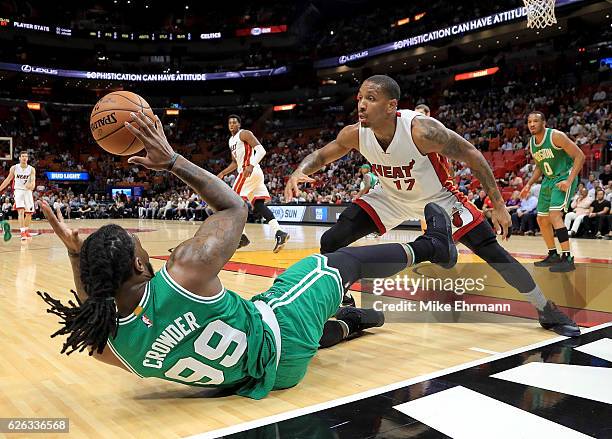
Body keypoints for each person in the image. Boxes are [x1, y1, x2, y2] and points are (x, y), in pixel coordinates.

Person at [38, 111, 458, 399]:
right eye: (140, 249)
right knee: (334, 264)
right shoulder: (183, 272)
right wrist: (172, 162)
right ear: (137, 264)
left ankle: (348, 325)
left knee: (271, 309)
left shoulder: (110, 344)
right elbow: (234, 207)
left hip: (250, 377)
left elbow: (94, 313)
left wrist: (78, 260)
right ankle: (433, 246)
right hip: (281, 336)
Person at [285, 75, 579, 337]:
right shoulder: (354, 133)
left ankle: (545, 308)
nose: (361, 104)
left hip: (439, 198)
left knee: (493, 252)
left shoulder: (421, 130)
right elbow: (322, 156)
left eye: (370, 99)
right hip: (390, 197)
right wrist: (301, 171)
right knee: (332, 240)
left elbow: (472, 155)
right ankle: (346, 303)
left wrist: (499, 204)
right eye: (360, 98)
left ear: (391, 106)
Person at [521, 111, 585, 272]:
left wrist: (569, 181)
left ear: (544, 123)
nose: (532, 124)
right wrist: (528, 184)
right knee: (542, 220)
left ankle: (568, 257)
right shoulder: (532, 142)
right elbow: (539, 167)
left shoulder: (556, 136)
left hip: (563, 177)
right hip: (547, 180)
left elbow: (580, 156)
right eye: (529, 122)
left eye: (535, 121)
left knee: (554, 215)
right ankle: (553, 254)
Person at [217, 115, 289, 253]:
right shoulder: (231, 140)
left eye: (234, 122)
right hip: (252, 173)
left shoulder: (244, 133)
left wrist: (250, 165)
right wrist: (223, 173)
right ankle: (279, 232)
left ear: (239, 124)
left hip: (248, 171)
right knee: (259, 205)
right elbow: (234, 162)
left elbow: (261, 150)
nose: (231, 124)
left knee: (232, 202)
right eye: (229, 122)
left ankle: (242, 237)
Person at [0, 151, 39, 240]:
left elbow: (33, 182)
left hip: (28, 192)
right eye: (23, 156)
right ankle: (22, 232)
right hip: (18, 191)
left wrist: (32, 185)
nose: (24, 158)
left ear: (28, 158)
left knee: (29, 213)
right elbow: (8, 179)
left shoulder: (32, 169)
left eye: (26, 156)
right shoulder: (14, 168)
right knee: (20, 211)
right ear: (19, 158)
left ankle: (26, 230)